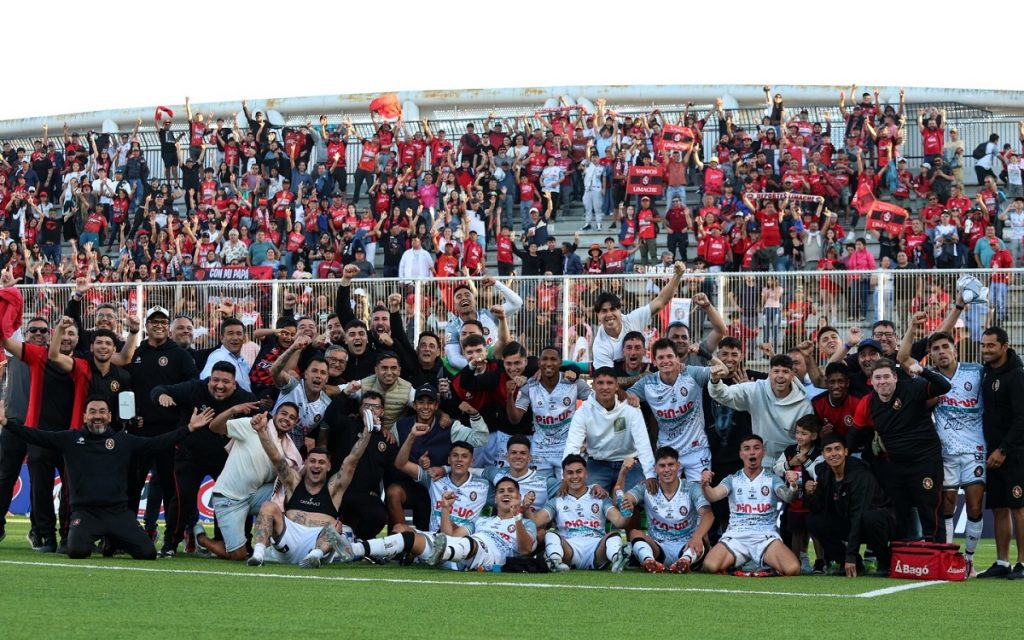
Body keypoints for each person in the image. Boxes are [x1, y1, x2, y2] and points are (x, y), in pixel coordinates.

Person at [0, 396, 212, 560]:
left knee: (147, 553)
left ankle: (113, 539)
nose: (97, 416)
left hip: (118, 513)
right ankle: (102, 538)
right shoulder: (70, 439)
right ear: (84, 417)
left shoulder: (122, 441)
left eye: (102, 411)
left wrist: (189, 428)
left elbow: (157, 443)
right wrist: (6, 422)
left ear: (110, 416)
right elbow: (36, 435)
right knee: (77, 551)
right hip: (86, 513)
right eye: (92, 412)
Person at [150, 361, 257, 555]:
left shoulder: (245, 400)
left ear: (235, 384)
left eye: (225, 381)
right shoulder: (194, 388)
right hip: (189, 455)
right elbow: (159, 389)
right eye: (215, 380)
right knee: (182, 498)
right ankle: (170, 544)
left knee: (233, 499)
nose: (219, 385)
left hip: (226, 460)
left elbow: (263, 418)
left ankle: (235, 543)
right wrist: (162, 396)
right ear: (209, 380)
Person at [248, 414, 371, 568]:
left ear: (328, 467)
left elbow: (352, 460)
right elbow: (276, 458)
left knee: (336, 525)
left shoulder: (334, 489)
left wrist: (368, 431)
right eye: (312, 461)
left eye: (321, 462)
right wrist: (261, 431)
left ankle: (314, 557)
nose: (316, 466)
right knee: (268, 506)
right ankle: (258, 554)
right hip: (287, 542)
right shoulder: (294, 482)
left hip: (319, 545)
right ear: (305, 463)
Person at [850, 358, 950, 543]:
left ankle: (936, 557)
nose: (882, 381)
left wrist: (923, 371)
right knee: (900, 512)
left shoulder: (912, 387)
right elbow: (854, 436)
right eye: (877, 378)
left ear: (895, 377)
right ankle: (904, 559)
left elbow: (944, 386)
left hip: (925, 461)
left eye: (886, 376)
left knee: (930, 509)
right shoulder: (868, 403)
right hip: (895, 465)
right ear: (871, 381)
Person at [193, 402, 302, 561]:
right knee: (238, 555)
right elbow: (214, 427)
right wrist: (233, 409)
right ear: (275, 414)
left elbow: (291, 477)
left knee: (290, 493)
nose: (286, 419)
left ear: (295, 423)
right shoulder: (252, 425)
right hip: (228, 499)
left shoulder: (289, 448)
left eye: (292, 418)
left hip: (255, 496)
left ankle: (275, 547)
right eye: (283, 414)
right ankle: (201, 539)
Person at [699, 434, 801, 576]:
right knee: (710, 566)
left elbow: (788, 497)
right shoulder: (732, 479)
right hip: (736, 535)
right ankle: (752, 563)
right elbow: (713, 496)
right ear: (741, 454)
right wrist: (705, 486)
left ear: (763, 452)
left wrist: (793, 486)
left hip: (765, 536)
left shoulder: (772, 478)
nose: (752, 452)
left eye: (756, 448)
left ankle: (763, 562)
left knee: (792, 568)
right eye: (747, 449)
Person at [805, 434, 898, 577]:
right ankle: (851, 564)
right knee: (814, 521)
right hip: (850, 520)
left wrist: (851, 556)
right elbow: (819, 508)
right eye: (829, 450)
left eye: (838, 449)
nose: (834, 454)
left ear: (846, 451)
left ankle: (885, 563)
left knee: (869, 518)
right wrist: (811, 493)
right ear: (823, 454)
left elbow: (858, 514)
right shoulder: (824, 472)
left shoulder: (861, 475)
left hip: (880, 523)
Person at [316, 391, 398, 541]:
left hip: (367, 494)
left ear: (382, 411)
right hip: (339, 491)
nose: (371, 410)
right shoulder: (347, 425)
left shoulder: (387, 440)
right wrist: (344, 393)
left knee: (379, 515)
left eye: (375, 407)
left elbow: (390, 476)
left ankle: (358, 542)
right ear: (360, 409)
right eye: (367, 406)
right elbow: (331, 416)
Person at [627, 338, 712, 481]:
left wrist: (709, 357)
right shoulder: (648, 383)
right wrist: (630, 397)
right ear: (654, 362)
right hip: (667, 451)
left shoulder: (691, 373)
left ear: (678, 358)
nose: (665, 361)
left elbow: (723, 371)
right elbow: (625, 395)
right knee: (667, 499)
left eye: (669, 356)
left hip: (697, 450)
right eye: (660, 357)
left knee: (701, 496)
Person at [621, 447, 714, 574]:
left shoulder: (691, 487)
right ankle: (649, 561)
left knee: (702, 537)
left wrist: (697, 536)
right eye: (662, 466)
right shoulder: (647, 487)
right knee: (634, 533)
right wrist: (622, 474)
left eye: (671, 465)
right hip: (658, 548)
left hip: (687, 545)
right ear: (655, 468)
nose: (667, 470)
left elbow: (708, 515)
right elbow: (619, 501)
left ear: (678, 466)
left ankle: (684, 562)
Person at [563, 367, 657, 493]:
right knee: (587, 496)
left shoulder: (631, 408)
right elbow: (573, 444)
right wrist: (565, 477)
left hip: (629, 463)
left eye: (609, 383)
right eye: (600, 383)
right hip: (597, 464)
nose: (605, 387)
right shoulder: (583, 411)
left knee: (638, 495)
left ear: (616, 386)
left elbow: (643, 442)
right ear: (594, 386)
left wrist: (650, 474)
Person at [978, 327, 1024, 579]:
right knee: (998, 508)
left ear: (1004, 346)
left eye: (991, 346)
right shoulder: (986, 372)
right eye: (983, 345)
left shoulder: (1017, 375)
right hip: (992, 452)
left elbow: (1021, 419)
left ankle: (1023, 563)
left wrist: (1003, 450)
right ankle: (1002, 561)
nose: (985, 350)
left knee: (1019, 506)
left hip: (1014, 453)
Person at [534, 454, 631, 572]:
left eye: (579, 472)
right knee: (550, 534)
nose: (575, 476)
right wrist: (525, 508)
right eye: (570, 473)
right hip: (569, 549)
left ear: (586, 474)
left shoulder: (600, 497)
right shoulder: (557, 501)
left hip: (596, 549)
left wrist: (627, 513)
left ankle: (617, 559)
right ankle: (555, 561)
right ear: (563, 476)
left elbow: (620, 522)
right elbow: (535, 521)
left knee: (613, 536)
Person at [708, 354, 812, 461]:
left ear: (792, 375)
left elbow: (807, 439)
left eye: (785, 371)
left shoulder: (804, 404)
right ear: (769, 374)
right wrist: (715, 381)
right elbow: (724, 395)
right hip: (763, 460)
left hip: (792, 461)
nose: (780, 375)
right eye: (776, 371)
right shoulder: (755, 389)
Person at [508, 346, 591, 479]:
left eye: (553, 359)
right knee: (539, 491)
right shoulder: (529, 386)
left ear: (560, 362)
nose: (548, 363)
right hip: (540, 449)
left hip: (567, 446)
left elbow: (596, 404)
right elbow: (515, 419)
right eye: (545, 359)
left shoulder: (573, 383)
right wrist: (509, 396)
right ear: (539, 362)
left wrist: (586, 433)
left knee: (568, 489)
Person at [591, 262, 684, 368]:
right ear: (598, 315)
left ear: (620, 310)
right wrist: (641, 377)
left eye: (613, 309)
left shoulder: (633, 319)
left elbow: (661, 301)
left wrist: (677, 275)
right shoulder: (599, 346)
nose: (609, 315)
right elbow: (608, 380)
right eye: (604, 311)